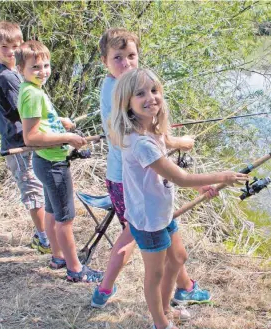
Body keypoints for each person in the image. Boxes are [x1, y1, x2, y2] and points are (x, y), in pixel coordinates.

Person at [109, 68, 249, 329]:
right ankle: (160, 323)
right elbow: (180, 178)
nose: (150, 97)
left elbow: (169, 175)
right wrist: (224, 177)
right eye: (140, 94)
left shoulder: (152, 131)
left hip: (161, 212)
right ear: (126, 103)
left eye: (154, 90)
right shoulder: (141, 143)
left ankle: (165, 307)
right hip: (148, 220)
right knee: (155, 274)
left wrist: (202, 186)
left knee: (179, 258)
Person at [91, 28, 213, 308]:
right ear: (105, 62)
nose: (127, 64)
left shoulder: (123, 85)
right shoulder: (117, 90)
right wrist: (176, 141)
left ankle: (184, 286)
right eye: (118, 58)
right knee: (136, 235)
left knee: (163, 233)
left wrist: (166, 137)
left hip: (132, 176)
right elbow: (131, 134)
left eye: (131, 56)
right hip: (129, 179)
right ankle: (105, 289)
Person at [16, 40, 103, 282]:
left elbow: (39, 121)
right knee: (66, 219)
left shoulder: (31, 89)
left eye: (46, 65)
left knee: (53, 212)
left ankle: (58, 256)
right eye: (35, 67)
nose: (43, 71)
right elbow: (31, 136)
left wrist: (59, 121)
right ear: (20, 69)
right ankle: (76, 270)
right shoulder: (32, 94)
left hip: (44, 162)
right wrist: (67, 137)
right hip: (53, 164)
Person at [0, 21, 50, 253]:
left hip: (27, 140)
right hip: (18, 144)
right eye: (5, 46)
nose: (12, 51)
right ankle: (45, 239)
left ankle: (42, 234)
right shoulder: (6, 76)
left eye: (16, 45)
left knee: (40, 187)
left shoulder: (15, 70)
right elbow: (25, 110)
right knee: (33, 189)